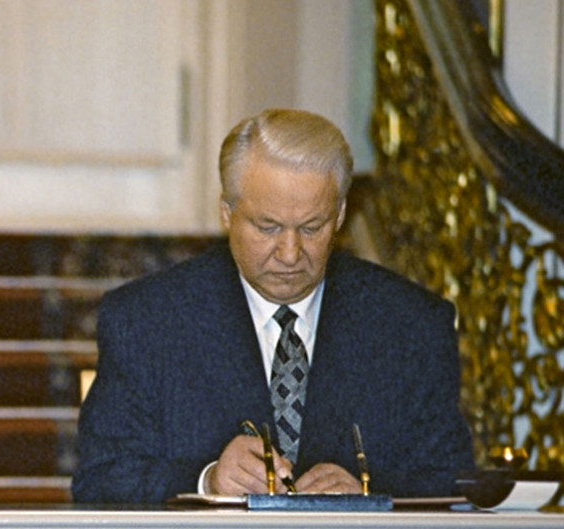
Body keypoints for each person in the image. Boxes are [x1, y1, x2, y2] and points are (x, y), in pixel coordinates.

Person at [72, 108, 475, 504]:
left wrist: (370, 492)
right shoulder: (146, 320)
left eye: (311, 228)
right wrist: (207, 481)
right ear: (227, 213)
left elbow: (451, 482)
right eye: (268, 228)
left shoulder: (412, 324)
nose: (289, 252)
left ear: (340, 216)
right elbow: (101, 479)